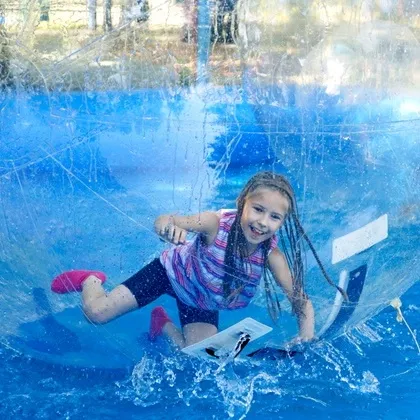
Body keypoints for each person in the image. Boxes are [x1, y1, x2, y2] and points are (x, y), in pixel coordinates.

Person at [51, 171, 344, 350]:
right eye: (257, 209)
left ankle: (161, 322)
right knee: (96, 314)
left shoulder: (271, 255)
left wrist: (306, 335)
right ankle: (90, 279)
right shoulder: (214, 224)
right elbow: (164, 219)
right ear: (243, 203)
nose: (262, 222)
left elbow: (300, 300)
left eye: (274, 217)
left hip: (200, 299)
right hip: (169, 274)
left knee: (197, 357)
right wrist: (170, 228)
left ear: (282, 222)